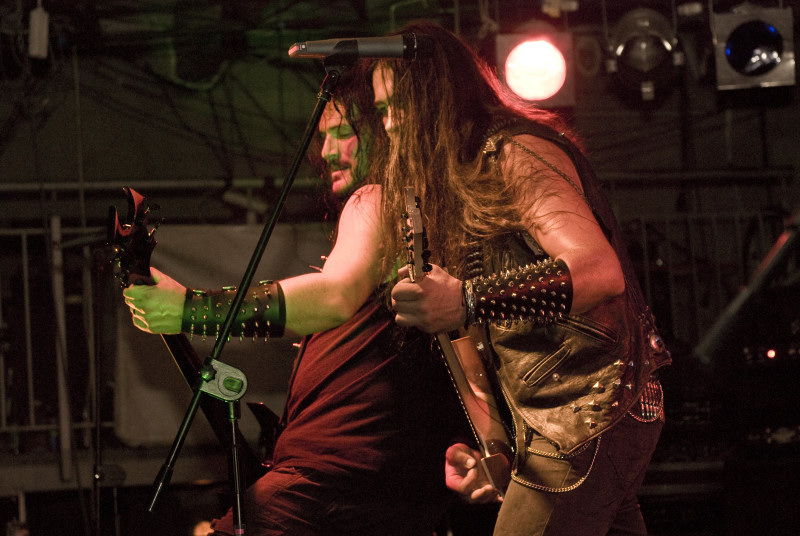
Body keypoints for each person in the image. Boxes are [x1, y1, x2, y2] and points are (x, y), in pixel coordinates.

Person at [123, 62, 470, 536]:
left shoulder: (376, 199)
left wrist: (191, 307)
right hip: (395, 494)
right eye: (323, 137)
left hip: (327, 484)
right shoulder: (434, 221)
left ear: (387, 131)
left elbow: (331, 297)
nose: (325, 151)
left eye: (344, 133)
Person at [370, 20, 672, 536]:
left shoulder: (513, 153)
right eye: (381, 112)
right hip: (558, 421)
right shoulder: (451, 184)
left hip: (586, 407)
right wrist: (495, 446)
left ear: (437, 97)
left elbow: (598, 271)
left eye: (399, 104)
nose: (391, 125)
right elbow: (463, 337)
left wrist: (466, 299)